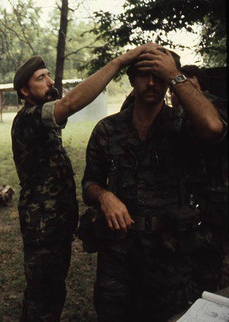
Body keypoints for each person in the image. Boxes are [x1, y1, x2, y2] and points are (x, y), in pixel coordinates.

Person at [81, 46, 225, 321]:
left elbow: (213, 127)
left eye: (159, 76)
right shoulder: (107, 130)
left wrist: (174, 74)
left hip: (170, 257)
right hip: (118, 257)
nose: (151, 83)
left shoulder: (184, 126)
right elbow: (90, 183)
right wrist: (104, 196)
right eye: (144, 75)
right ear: (133, 80)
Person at [11, 44, 153, 321]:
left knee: (53, 291)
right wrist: (119, 62)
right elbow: (71, 103)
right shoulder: (28, 118)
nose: (50, 81)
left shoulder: (42, 118)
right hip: (42, 227)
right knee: (42, 297)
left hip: (54, 223)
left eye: (48, 75)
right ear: (24, 92)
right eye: (40, 78)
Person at [170, 65, 228, 293]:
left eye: (190, 88)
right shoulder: (172, 122)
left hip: (218, 228)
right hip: (185, 232)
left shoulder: (216, 111)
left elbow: (213, 129)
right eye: (177, 89)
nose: (183, 94)